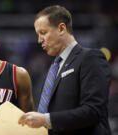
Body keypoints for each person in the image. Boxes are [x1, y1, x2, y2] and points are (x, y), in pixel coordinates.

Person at [18, 5, 112, 135]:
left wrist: (46, 120)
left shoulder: (90, 58)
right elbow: (47, 111)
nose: (39, 40)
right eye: (38, 35)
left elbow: (93, 110)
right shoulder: (50, 69)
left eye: (43, 33)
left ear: (61, 28)